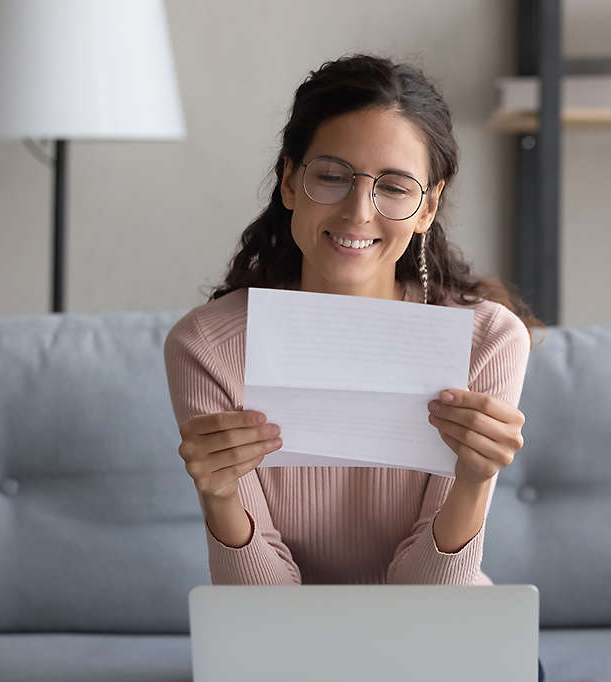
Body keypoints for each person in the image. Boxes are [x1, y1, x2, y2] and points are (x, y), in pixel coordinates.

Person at [163, 53, 546, 681]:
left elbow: (429, 605)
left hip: (446, 642)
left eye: (393, 187)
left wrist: (474, 482)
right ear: (289, 182)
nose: (358, 212)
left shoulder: (486, 340)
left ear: (427, 207)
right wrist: (220, 495)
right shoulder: (207, 345)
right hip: (287, 652)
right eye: (332, 177)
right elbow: (263, 617)